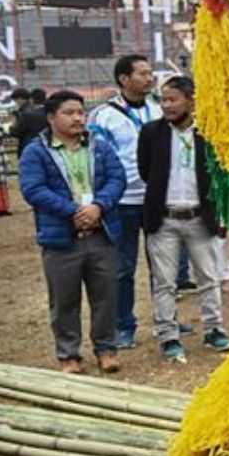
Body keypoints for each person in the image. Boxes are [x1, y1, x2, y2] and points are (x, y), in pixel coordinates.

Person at [18, 91, 127, 374]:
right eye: (69, 113)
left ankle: (106, 349)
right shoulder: (36, 151)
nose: (78, 118)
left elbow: (118, 179)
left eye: (80, 112)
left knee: (105, 296)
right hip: (61, 239)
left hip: (100, 234)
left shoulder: (99, 146)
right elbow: (33, 189)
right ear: (51, 118)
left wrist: (99, 207)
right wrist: (73, 212)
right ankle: (69, 355)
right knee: (64, 300)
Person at [138, 76, 229, 362]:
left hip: (199, 217)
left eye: (172, 99)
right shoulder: (151, 133)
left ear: (191, 100)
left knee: (208, 277)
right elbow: (146, 171)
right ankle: (168, 336)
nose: (166, 105)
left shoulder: (210, 133)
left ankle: (214, 329)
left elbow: (220, 174)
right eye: (163, 100)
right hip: (163, 219)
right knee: (165, 282)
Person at [87, 54, 162, 349]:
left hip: (156, 200)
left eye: (150, 73)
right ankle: (123, 326)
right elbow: (98, 160)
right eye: (142, 73)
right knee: (122, 268)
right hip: (123, 202)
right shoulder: (103, 116)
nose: (149, 78)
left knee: (162, 265)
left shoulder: (158, 109)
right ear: (124, 79)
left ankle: (165, 321)